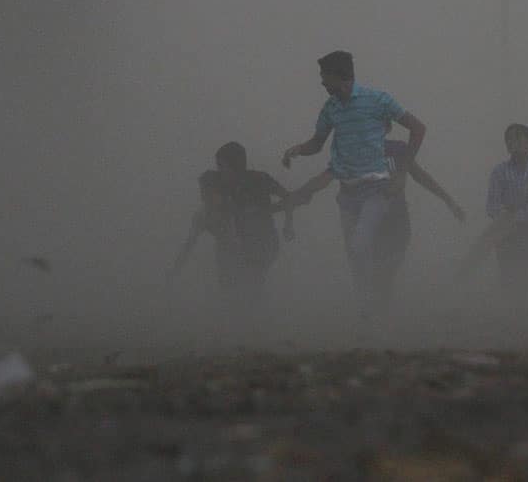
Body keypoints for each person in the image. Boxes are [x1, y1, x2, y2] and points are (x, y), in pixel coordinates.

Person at [281, 50, 426, 321]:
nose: (322, 84)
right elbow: (317, 143)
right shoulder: (331, 109)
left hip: (376, 190)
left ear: (341, 76)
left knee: (360, 245)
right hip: (347, 194)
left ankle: (376, 298)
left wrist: (403, 172)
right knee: (354, 254)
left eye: (326, 77)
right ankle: (366, 312)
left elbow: (418, 128)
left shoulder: (377, 100)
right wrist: (297, 150)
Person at [292, 119, 465, 314]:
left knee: (387, 271)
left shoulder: (398, 150)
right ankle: (372, 315)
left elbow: (420, 176)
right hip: (368, 223)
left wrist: (448, 200)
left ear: (387, 129)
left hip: (396, 220)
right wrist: (298, 194)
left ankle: (380, 310)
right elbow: (325, 178)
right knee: (370, 270)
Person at [470, 123, 528, 295]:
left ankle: (519, 310)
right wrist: (505, 211)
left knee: (527, 272)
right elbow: (491, 206)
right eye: (509, 139)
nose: (513, 142)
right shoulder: (499, 172)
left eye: (518, 138)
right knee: (507, 273)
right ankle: (508, 310)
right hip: (506, 230)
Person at [194, 141, 294, 288]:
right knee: (230, 284)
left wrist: (288, 225)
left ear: (236, 167)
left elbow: (288, 198)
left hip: (260, 244)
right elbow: (209, 197)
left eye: (222, 166)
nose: (219, 171)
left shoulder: (259, 181)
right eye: (218, 166)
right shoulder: (215, 182)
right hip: (231, 247)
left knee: (250, 282)